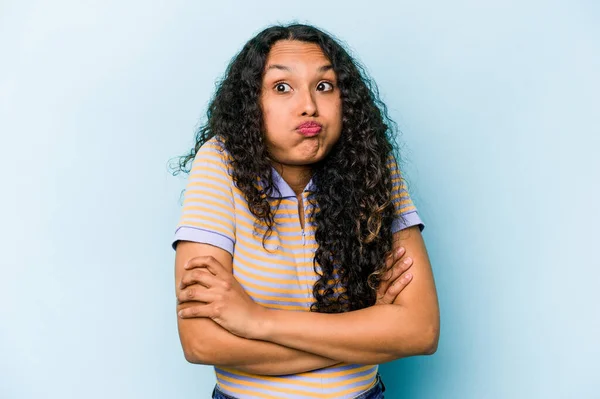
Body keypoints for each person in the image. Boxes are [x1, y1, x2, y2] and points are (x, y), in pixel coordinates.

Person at [172, 23, 440, 399]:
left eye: (325, 86)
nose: (309, 105)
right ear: (252, 103)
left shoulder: (371, 165)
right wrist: (369, 335)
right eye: (282, 88)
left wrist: (256, 320)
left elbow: (420, 331)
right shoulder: (219, 163)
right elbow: (202, 342)